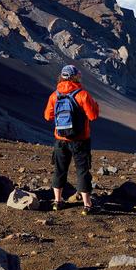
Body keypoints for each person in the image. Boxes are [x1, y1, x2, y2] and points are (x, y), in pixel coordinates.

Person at [43, 64, 100, 215]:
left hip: (60, 139)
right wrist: (95, 106)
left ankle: (57, 202)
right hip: (80, 140)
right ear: (75, 77)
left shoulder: (55, 95)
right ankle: (87, 205)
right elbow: (93, 116)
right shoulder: (83, 95)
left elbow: (47, 116)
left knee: (60, 169)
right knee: (82, 171)